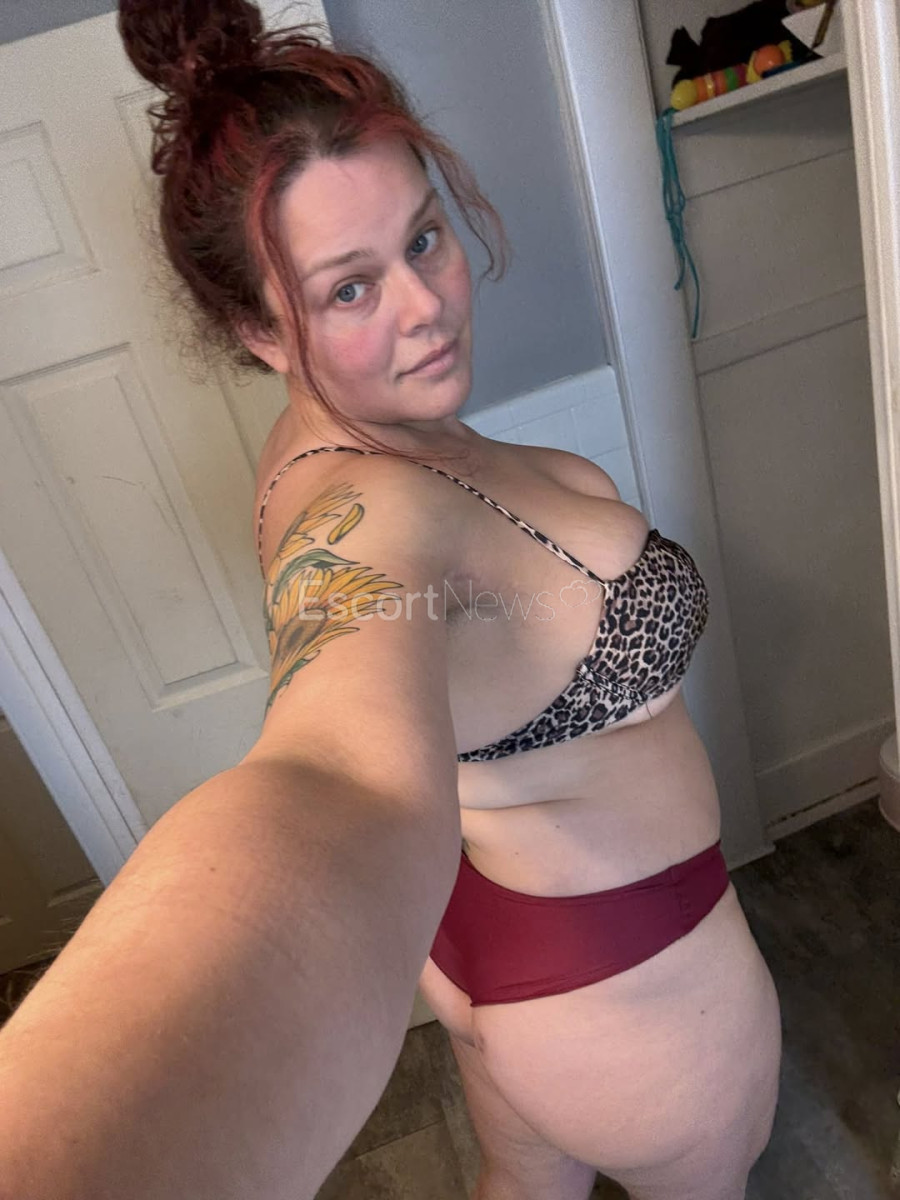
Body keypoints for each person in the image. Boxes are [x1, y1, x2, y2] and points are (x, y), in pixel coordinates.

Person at [0, 2, 782, 1198]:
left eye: (423, 239)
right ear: (260, 329)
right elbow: (338, 777)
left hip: (493, 939)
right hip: (631, 990)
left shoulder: (319, 442)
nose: (425, 306)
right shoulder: (368, 512)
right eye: (350, 290)